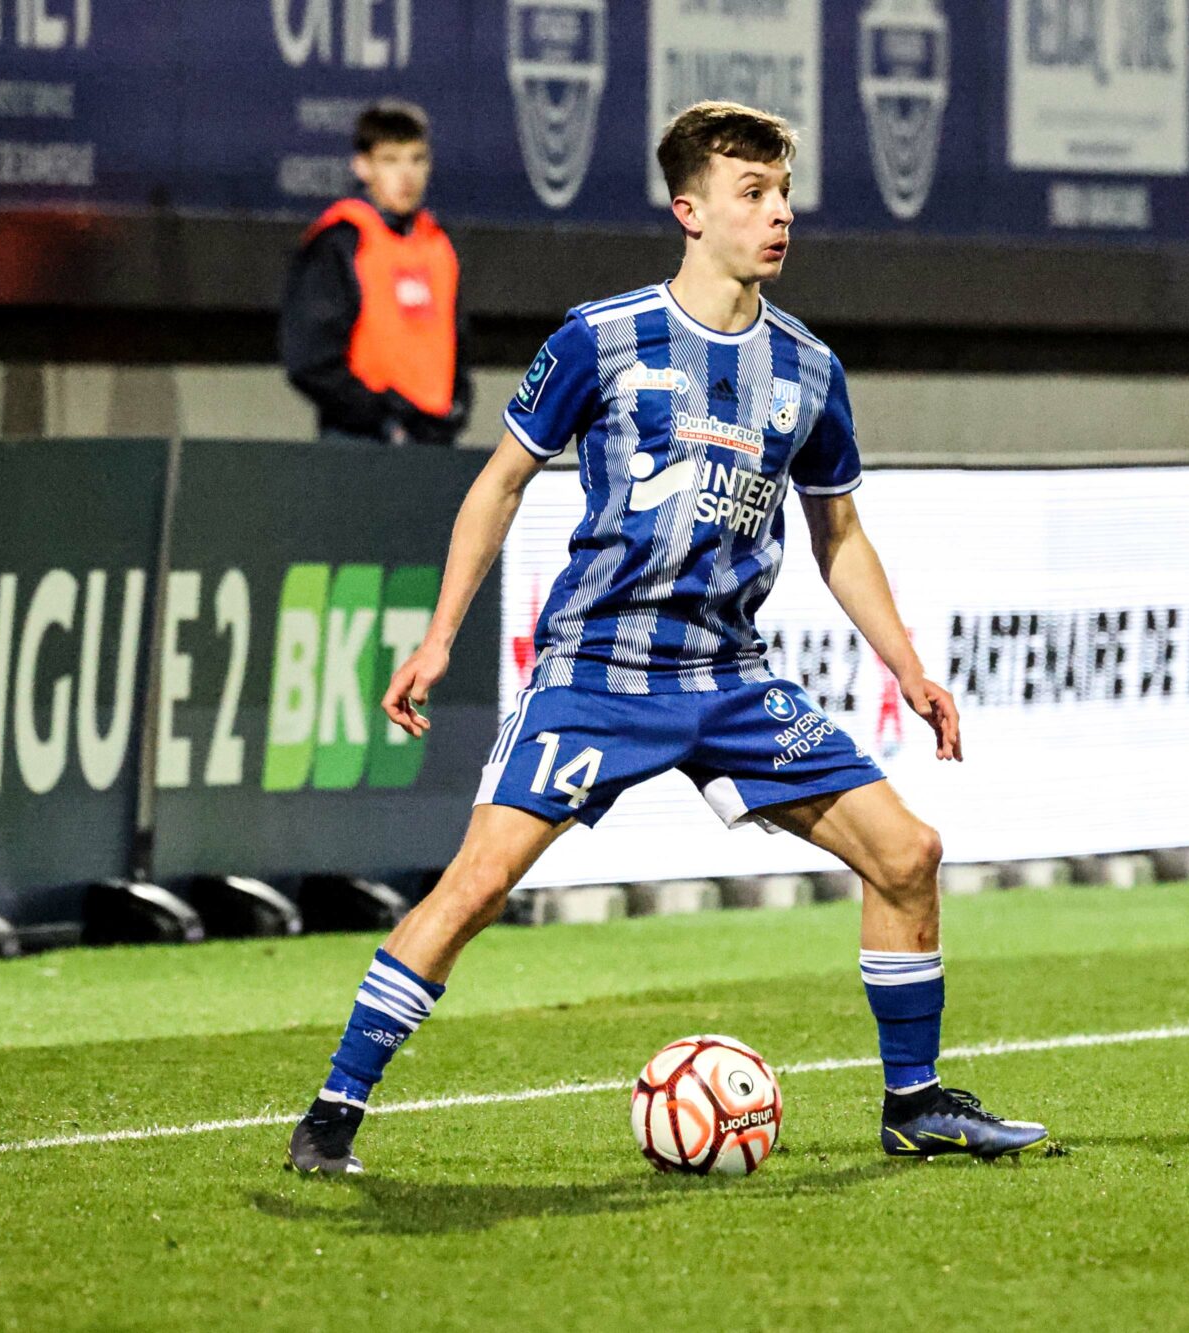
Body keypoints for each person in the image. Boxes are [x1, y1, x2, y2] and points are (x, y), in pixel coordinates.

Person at [284, 101, 1049, 1174]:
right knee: (476, 884)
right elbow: (500, 483)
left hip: (730, 681)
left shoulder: (809, 371)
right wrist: (438, 635)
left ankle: (914, 1102)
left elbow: (838, 533)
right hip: (598, 670)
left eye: (783, 193)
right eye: (753, 194)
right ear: (690, 212)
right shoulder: (597, 336)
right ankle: (332, 1113)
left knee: (907, 852)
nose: (777, 215)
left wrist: (908, 668)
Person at [279, 99, 471, 447]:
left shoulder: (438, 244)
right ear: (362, 167)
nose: (406, 175)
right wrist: (384, 416)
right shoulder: (341, 241)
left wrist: (458, 404)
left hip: (434, 442)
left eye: (417, 159)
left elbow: (455, 343)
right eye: (390, 160)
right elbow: (310, 360)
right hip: (361, 442)